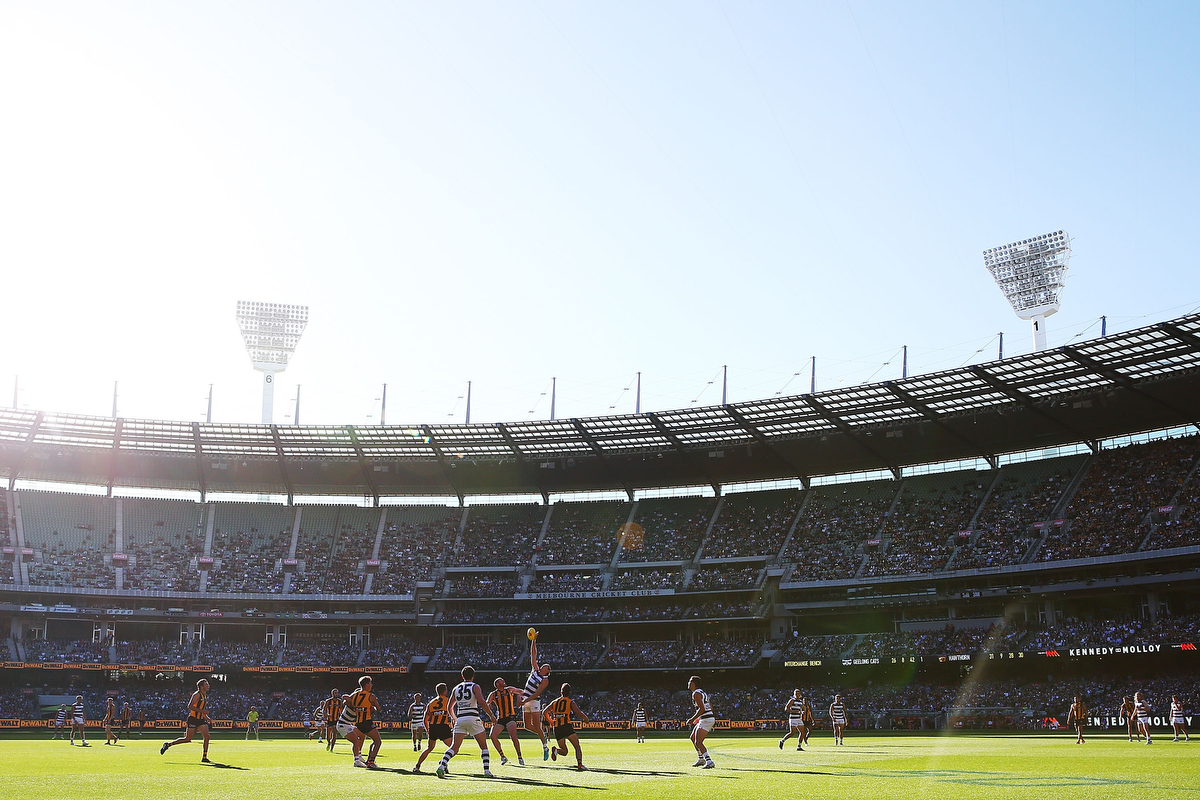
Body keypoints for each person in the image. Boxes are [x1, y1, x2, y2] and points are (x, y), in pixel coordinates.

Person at [436, 665, 499, 779]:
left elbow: (449, 707)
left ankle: (441, 766)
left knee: (454, 747)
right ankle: (486, 771)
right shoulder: (475, 686)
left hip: (460, 718)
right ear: (473, 676)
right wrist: (491, 716)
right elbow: (482, 702)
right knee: (483, 746)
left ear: (462, 676)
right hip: (473, 717)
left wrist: (455, 719)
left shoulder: (456, 688)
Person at [160, 679, 212, 763]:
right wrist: (203, 712)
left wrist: (207, 717)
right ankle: (168, 744)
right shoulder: (196, 695)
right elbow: (190, 706)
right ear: (201, 686)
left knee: (207, 736)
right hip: (193, 719)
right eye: (206, 684)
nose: (208, 686)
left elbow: (200, 708)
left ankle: (204, 757)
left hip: (200, 719)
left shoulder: (205, 695)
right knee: (187, 739)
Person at [544, 683, 590, 771]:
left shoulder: (555, 702)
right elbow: (579, 712)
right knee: (577, 746)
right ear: (570, 692)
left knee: (564, 751)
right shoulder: (570, 702)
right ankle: (580, 764)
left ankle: (556, 750)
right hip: (566, 726)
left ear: (561, 692)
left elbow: (544, 712)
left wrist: (551, 721)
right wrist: (586, 719)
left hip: (557, 728)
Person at [521, 632, 552, 761]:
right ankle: (543, 735)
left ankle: (544, 746)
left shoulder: (544, 679)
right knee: (527, 726)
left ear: (547, 671)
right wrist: (533, 640)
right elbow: (533, 654)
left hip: (533, 701)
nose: (544, 665)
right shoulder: (535, 670)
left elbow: (537, 693)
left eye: (546, 666)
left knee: (536, 724)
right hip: (526, 700)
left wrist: (525, 700)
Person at [414, 684, 454, 773]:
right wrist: (454, 727)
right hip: (443, 727)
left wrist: (428, 730)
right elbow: (452, 715)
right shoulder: (448, 701)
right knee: (454, 748)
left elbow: (425, 720)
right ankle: (443, 762)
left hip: (433, 727)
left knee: (429, 748)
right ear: (445, 691)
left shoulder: (431, 703)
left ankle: (417, 767)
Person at [345, 675, 382, 769]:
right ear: (366, 685)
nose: (371, 685)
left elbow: (346, 701)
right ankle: (371, 762)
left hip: (358, 723)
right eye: (370, 683)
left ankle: (368, 760)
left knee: (372, 740)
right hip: (367, 722)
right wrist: (371, 707)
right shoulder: (371, 696)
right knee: (377, 741)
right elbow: (378, 709)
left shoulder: (355, 694)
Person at [487, 678, 526, 766]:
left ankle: (520, 757)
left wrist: (520, 696)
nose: (504, 681)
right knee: (492, 736)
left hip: (510, 717)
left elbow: (522, 691)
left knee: (513, 736)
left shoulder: (509, 690)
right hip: (500, 718)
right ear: (497, 684)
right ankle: (503, 756)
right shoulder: (493, 694)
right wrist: (488, 705)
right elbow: (487, 703)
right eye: (501, 681)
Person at [685, 676, 715, 769]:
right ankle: (701, 759)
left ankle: (709, 761)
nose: (688, 683)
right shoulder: (702, 692)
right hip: (706, 718)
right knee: (693, 737)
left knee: (698, 742)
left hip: (706, 719)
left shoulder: (696, 694)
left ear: (693, 683)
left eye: (690, 681)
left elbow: (702, 708)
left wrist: (692, 719)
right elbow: (710, 707)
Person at [334, 692, 366, 767]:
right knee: (356, 741)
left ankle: (359, 754)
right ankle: (356, 760)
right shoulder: (351, 702)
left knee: (362, 735)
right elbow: (344, 696)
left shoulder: (359, 704)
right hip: (343, 724)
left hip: (348, 724)